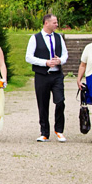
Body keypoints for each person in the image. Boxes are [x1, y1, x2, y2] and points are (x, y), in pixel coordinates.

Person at [26, 13, 69, 142]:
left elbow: (65, 54)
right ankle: (44, 132)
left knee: (60, 101)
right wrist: (45, 62)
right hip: (42, 76)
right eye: (55, 22)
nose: (57, 25)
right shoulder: (35, 38)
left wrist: (59, 60)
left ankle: (59, 130)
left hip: (57, 75)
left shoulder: (58, 38)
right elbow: (28, 57)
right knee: (43, 104)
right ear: (46, 23)